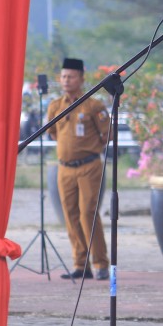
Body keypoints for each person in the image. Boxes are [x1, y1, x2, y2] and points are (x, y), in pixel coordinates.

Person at [46, 58, 111, 281]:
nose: (66, 80)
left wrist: (87, 149)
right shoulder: (55, 105)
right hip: (64, 168)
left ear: (82, 79)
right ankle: (80, 264)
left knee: (88, 214)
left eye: (71, 76)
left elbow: (107, 134)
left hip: (89, 166)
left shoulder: (94, 106)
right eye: (63, 76)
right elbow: (53, 133)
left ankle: (101, 263)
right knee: (71, 216)